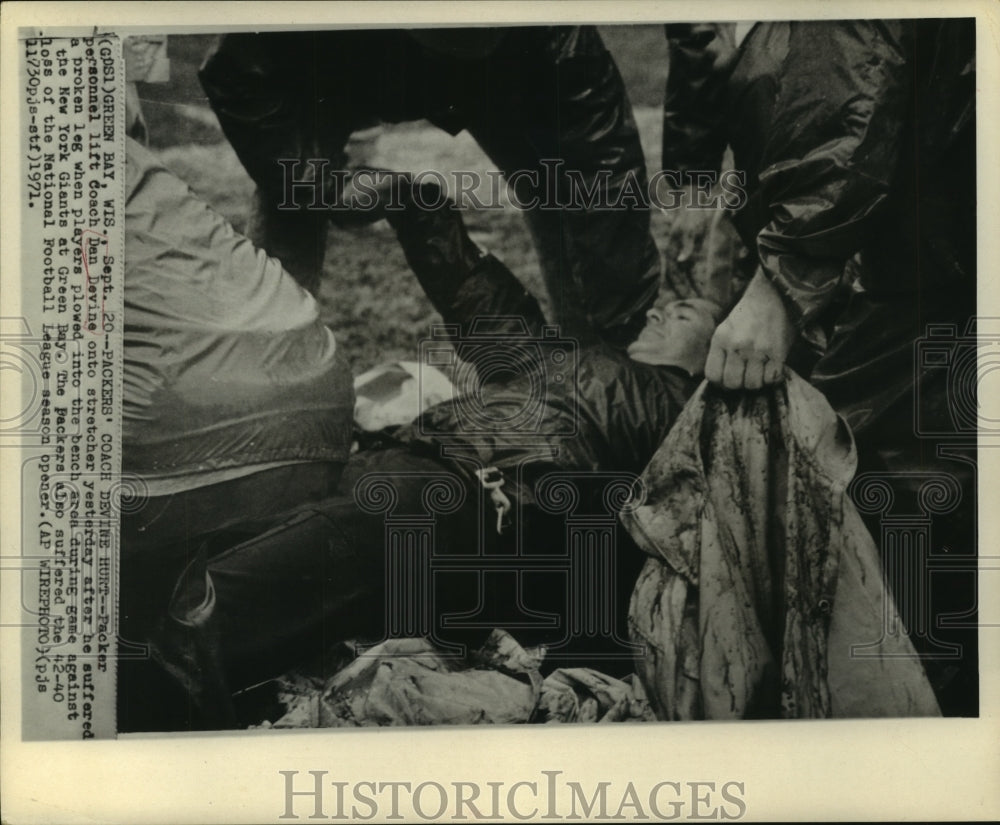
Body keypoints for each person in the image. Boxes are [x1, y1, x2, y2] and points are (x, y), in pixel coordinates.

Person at [116, 152, 718, 729]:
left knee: (207, 618)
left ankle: (108, 733)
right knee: (194, 577)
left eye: (687, 313)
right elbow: (476, 291)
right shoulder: (567, 363)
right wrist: (415, 203)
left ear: (713, 361)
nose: (663, 311)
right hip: (406, 478)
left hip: (459, 504)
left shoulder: (683, 414)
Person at [659, 19, 977, 714]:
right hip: (875, 228)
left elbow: (857, 60)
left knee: (888, 477)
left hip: (916, 231)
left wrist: (783, 280)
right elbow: (700, 40)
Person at [197, 26, 662, 347]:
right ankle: (272, 373)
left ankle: (596, 372)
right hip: (334, 61)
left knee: (560, 185)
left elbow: (603, 171)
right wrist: (314, 186)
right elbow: (239, 76)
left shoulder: (555, 36)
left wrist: (619, 326)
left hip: (506, 68)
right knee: (290, 201)